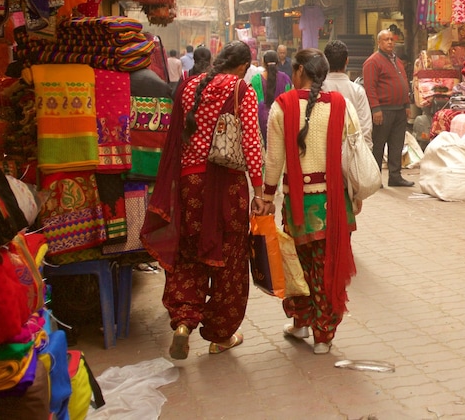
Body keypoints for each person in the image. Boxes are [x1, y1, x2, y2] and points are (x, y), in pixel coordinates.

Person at [141, 40, 265, 359]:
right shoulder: (240, 89)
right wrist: (261, 191)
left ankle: (183, 321)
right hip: (227, 188)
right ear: (242, 67)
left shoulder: (188, 85)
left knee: (187, 253)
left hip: (188, 185)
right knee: (229, 259)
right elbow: (251, 144)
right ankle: (220, 335)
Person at [257, 49, 360, 354]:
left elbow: (273, 159)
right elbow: (354, 150)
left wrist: (266, 197)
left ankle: (301, 322)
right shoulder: (341, 105)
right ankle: (323, 336)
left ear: (299, 71)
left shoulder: (282, 106)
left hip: (297, 203)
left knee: (297, 266)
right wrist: (356, 192)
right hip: (333, 203)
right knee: (325, 267)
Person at [362, 29, 413, 187]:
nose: (390, 42)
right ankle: (375, 179)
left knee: (397, 144)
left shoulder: (396, 60)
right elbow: (370, 87)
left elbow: (403, 81)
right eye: (386, 39)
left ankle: (395, 176)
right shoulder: (373, 61)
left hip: (399, 109)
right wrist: (375, 109)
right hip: (383, 110)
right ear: (379, 42)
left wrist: (406, 104)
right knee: (379, 145)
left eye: (392, 39)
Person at [323, 39, 373, 149]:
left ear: (325, 61)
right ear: (347, 61)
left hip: (324, 153)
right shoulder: (357, 91)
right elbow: (365, 127)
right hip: (352, 152)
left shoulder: (318, 89)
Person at [251, 50, 292, 142]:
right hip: (281, 121)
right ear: (277, 63)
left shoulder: (256, 80)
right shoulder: (285, 79)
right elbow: (289, 101)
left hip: (261, 123)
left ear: (263, 63)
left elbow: (254, 103)